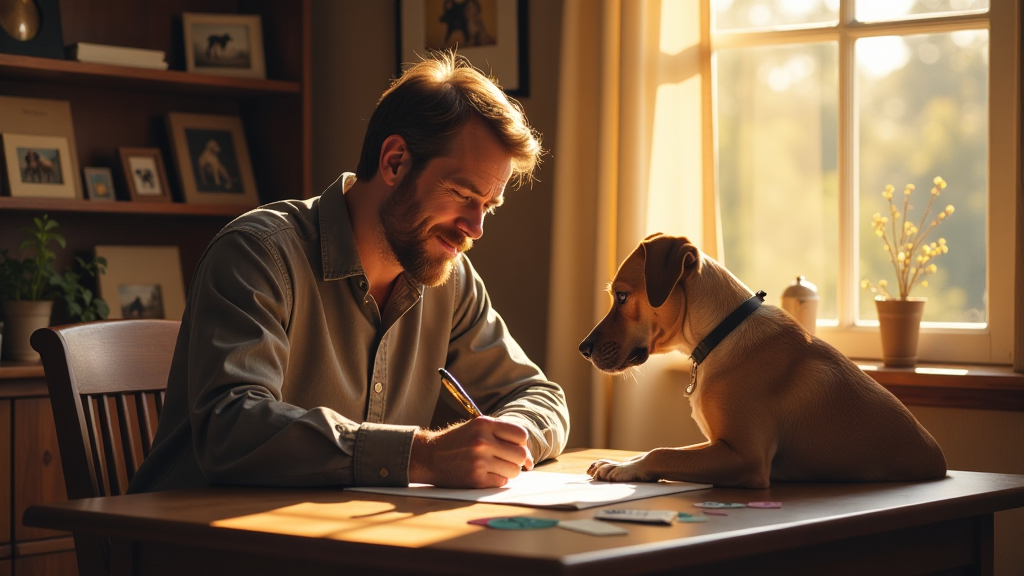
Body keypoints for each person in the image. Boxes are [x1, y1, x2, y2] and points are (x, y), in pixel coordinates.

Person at [128, 51, 569, 493]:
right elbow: (232, 426)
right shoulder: (258, 254)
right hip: (201, 546)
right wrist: (421, 455)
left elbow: (541, 398)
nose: (475, 228)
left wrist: (506, 439)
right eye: (461, 194)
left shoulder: (451, 279)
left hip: (340, 543)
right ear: (395, 161)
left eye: (488, 207)